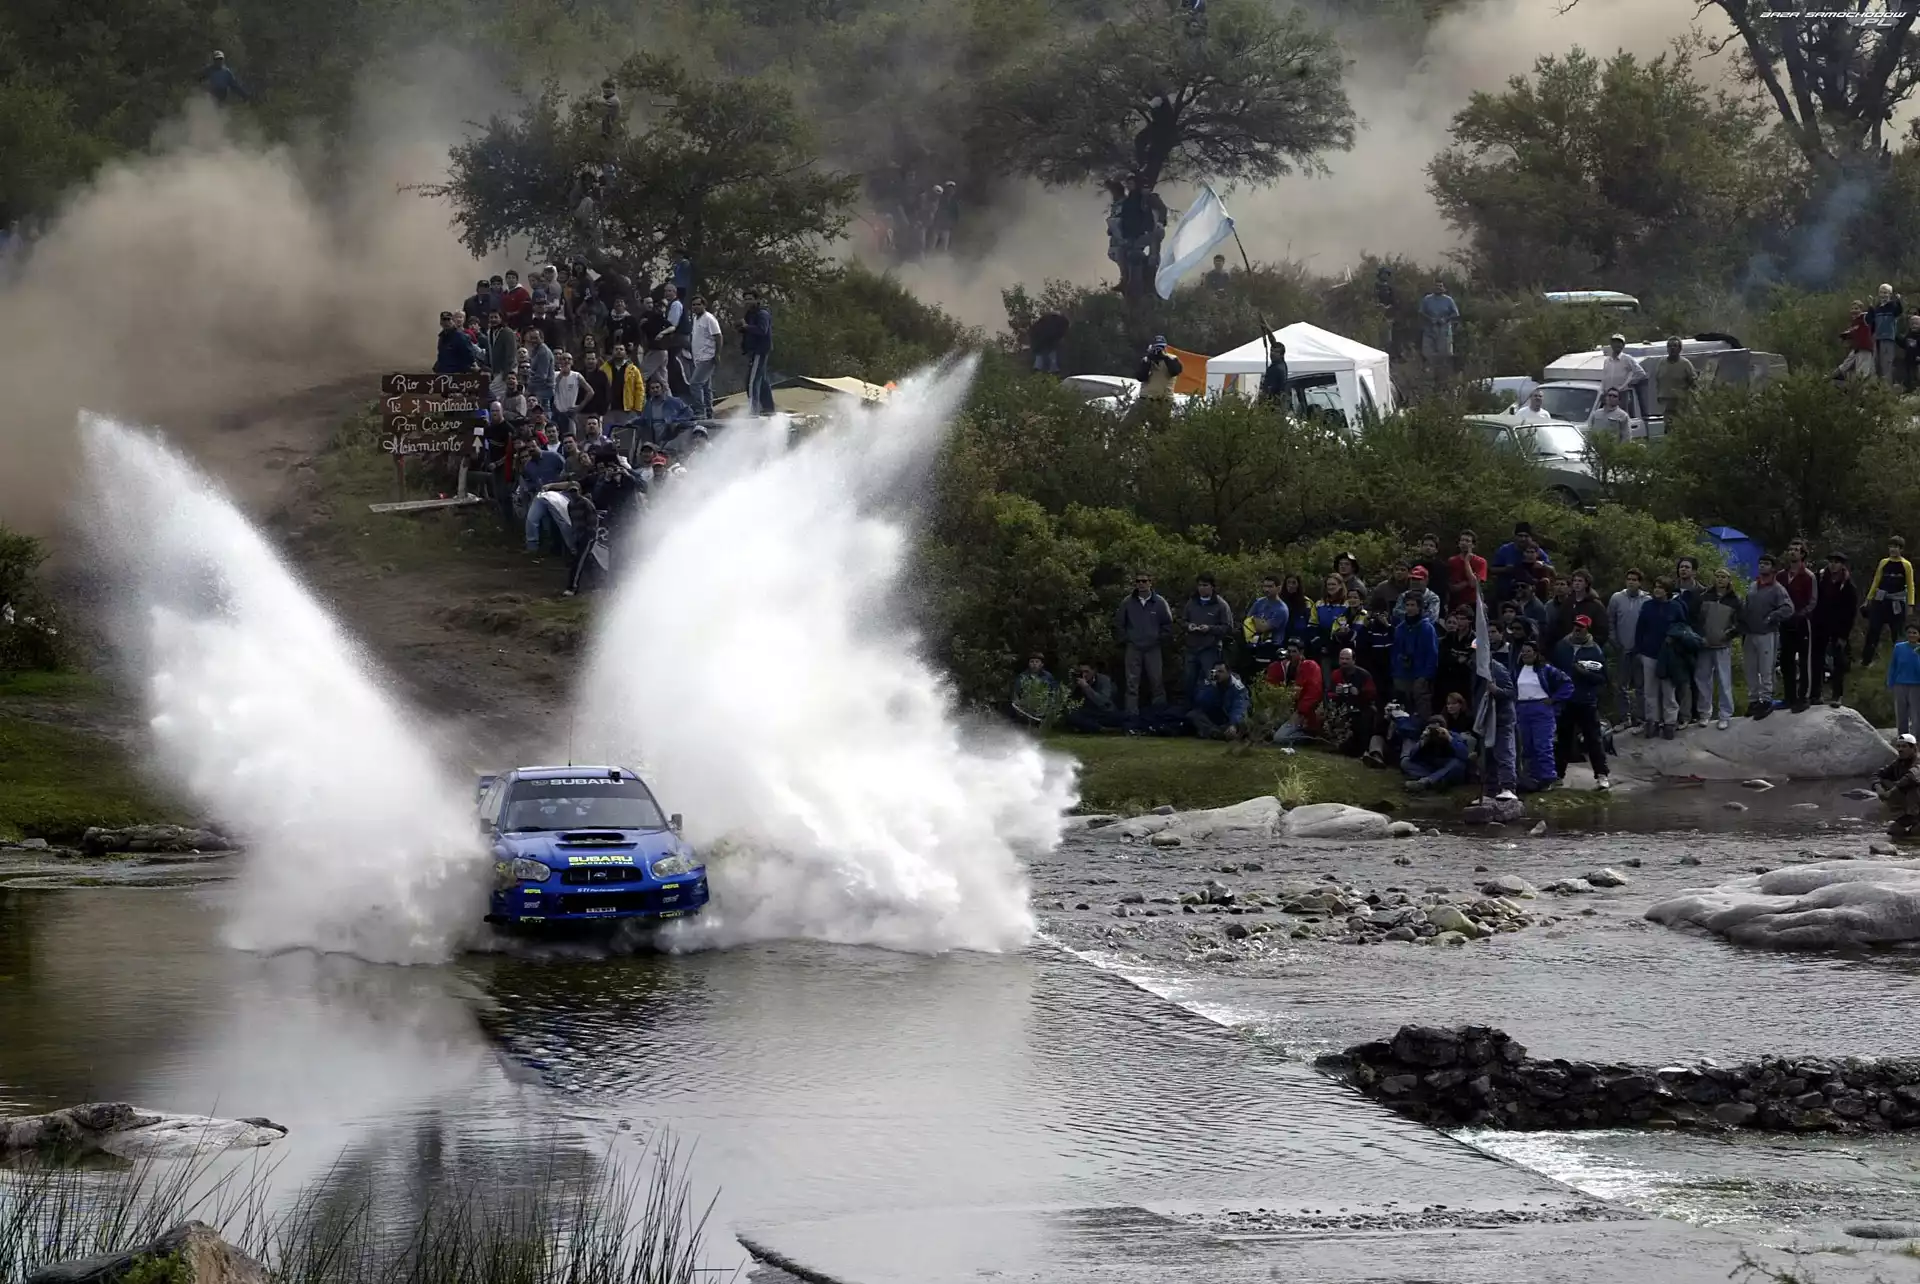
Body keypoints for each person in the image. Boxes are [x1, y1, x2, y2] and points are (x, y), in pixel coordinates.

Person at [1552, 615, 1612, 790]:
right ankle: (1558, 775)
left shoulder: (1595, 650)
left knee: (1593, 739)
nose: (1577, 629)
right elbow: (1553, 669)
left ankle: (1601, 775)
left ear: (1587, 629)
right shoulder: (1562, 646)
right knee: (1563, 739)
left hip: (1586, 700)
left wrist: (1585, 674)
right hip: (1566, 700)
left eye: (1581, 627)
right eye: (1576, 625)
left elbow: (1602, 678)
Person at [1511, 639, 1573, 791]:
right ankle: (1531, 777)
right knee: (1527, 746)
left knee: (1543, 745)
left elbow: (1567, 684)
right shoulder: (1517, 670)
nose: (1525, 654)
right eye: (1523, 651)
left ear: (1536, 654)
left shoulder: (1546, 670)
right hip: (1522, 709)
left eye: (1529, 651)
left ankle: (1548, 777)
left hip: (1541, 709)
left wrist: (1554, 699)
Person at [1115, 573, 1174, 715]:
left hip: (1153, 648)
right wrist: (1127, 639)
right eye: (1138, 581)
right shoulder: (1127, 602)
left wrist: (1159, 639)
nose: (1141, 584)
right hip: (1133, 648)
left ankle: (1159, 715)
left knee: (1157, 682)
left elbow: (1168, 624)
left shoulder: (1160, 602)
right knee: (1131, 683)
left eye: (1144, 581)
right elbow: (1119, 623)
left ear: (1150, 583)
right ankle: (1131, 715)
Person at [1692, 567, 1741, 730]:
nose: (1720, 579)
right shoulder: (1704, 596)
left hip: (1722, 646)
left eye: (1723, 577)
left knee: (1724, 681)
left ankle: (1725, 715)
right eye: (1718, 576)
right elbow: (1696, 620)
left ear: (1729, 580)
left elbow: (1740, 623)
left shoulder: (1735, 600)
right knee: (1702, 680)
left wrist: (1727, 635)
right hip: (1704, 644)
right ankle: (1705, 713)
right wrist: (1700, 636)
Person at [1635, 578, 1684, 738]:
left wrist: (1675, 643)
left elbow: (1683, 628)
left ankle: (1670, 722)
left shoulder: (1676, 607)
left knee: (1668, 691)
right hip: (1649, 653)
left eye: (1661, 588)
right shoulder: (1647, 606)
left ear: (1667, 590)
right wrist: (1639, 650)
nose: (1657, 590)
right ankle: (1652, 721)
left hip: (1668, 655)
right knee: (1650, 690)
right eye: (1655, 587)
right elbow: (1640, 629)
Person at [1812, 553, 1860, 708]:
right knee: (1817, 659)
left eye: (1837, 562)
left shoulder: (1848, 585)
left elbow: (1851, 612)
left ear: (1842, 565)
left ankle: (1837, 695)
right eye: (1831, 561)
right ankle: (1816, 693)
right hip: (1819, 625)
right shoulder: (1819, 579)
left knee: (1839, 661)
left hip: (1839, 628)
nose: (1833, 565)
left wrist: (1844, 635)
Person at [1778, 544, 1820, 713]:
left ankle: (1804, 697)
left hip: (1802, 623)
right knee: (1786, 661)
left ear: (1802, 554)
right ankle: (1789, 697)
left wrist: (1800, 615)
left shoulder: (1809, 576)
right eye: (1790, 549)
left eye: (1796, 550)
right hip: (1784, 623)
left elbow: (1813, 601)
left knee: (1804, 661)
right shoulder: (1781, 576)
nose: (1792, 552)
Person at [1180, 574, 1234, 701]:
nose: (1202, 588)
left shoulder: (1221, 605)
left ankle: (1211, 706)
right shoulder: (1192, 602)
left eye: (1205, 585)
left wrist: (1209, 628)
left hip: (1210, 649)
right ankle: (1189, 706)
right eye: (1199, 585)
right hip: (1191, 648)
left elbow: (1228, 627)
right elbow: (1182, 621)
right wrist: (1188, 626)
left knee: (1212, 680)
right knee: (1189, 680)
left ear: (1212, 587)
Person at [1864, 536, 1916, 666]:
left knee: (1897, 633)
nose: (1893, 549)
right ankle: (1867, 660)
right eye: (1891, 546)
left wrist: (1910, 604)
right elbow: (1876, 581)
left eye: (1896, 547)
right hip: (1881, 600)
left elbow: (1910, 585)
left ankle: (1901, 661)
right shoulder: (1884, 562)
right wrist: (1869, 598)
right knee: (1873, 630)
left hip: (1897, 602)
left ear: (1901, 549)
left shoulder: (1906, 565)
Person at [1607, 568, 1648, 727]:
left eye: (1634, 580)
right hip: (1621, 649)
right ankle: (1625, 718)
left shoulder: (1646, 600)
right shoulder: (1616, 598)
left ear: (1640, 583)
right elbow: (1610, 621)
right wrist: (1615, 642)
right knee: (1620, 686)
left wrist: (1643, 646)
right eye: (1629, 579)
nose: (1631, 582)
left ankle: (1641, 718)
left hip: (1639, 650)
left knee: (1641, 687)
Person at [1324, 648, 1380, 760]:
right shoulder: (1336, 674)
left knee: (1368, 715)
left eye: (1347, 659)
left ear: (1353, 660)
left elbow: (1372, 694)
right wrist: (1336, 692)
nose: (1344, 661)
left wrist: (1359, 692)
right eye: (1342, 659)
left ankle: (1364, 749)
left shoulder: (1364, 675)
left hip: (1361, 706)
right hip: (1342, 706)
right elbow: (1328, 693)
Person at [1389, 593, 1438, 716]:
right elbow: (1395, 651)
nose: (1409, 608)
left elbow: (1432, 654)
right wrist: (1396, 668)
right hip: (1402, 674)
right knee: (1401, 711)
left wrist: (1426, 676)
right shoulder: (1400, 628)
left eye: (1413, 605)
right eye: (1407, 605)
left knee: (1421, 710)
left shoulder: (1427, 628)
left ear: (1419, 607)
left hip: (1420, 676)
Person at [1672, 557, 1706, 725]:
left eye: (1687, 567)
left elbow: (1704, 617)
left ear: (1694, 571)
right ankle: (1678, 714)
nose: (1683, 569)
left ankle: (1695, 713)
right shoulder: (1671, 589)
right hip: (1675, 639)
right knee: (1677, 678)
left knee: (1695, 678)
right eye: (1681, 567)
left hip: (1694, 639)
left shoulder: (1702, 592)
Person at [1401, 717, 1472, 792]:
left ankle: (1425, 782)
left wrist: (1449, 738)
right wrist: (1422, 742)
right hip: (1432, 766)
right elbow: (1412, 756)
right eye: (1431, 729)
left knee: (1457, 763)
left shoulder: (1453, 736)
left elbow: (1464, 755)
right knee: (1405, 762)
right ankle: (1437, 780)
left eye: (1437, 729)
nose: (1434, 732)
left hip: (1448, 766)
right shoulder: (1426, 737)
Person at [1490, 523, 1550, 603]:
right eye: (1520, 536)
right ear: (1515, 536)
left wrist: (1542, 565)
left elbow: (1552, 569)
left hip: (1533, 595)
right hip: (1507, 593)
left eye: (1526, 536)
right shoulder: (1505, 550)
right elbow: (1492, 569)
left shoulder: (1536, 550)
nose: (1523, 539)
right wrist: (1506, 569)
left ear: (1531, 537)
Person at [1189, 664, 1252, 741]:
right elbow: (1200, 701)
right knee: (1193, 715)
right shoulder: (1209, 683)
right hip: (1214, 718)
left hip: (1228, 718)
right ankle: (1218, 733)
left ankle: (1214, 733)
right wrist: (1211, 687)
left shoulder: (1238, 687)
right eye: (1215, 672)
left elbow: (1239, 707)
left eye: (1221, 671)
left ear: (1228, 673)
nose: (1217, 674)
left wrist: (1234, 724)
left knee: (1243, 723)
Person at [1874, 733, 1920, 837]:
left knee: (1915, 833)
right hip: (1909, 811)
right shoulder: (1898, 763)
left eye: (1904, 746)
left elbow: (1911, 777)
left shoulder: (1918, 761)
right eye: (1898, 746)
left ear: (1913, 748)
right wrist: (1879, 788)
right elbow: (1877, 775)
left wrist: (1891, 792)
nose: (1900, 749)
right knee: (1894, 831)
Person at [1243, 576, 1291, 671]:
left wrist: (1255, 619)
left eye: (1270, 586)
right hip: (1255, 646)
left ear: (1278, 588)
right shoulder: (1259, 602)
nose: (1266, 589)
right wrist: (1257, 621)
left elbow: (1262, 628)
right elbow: (1247, 621)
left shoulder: (1281, 609)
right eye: (1265, 586)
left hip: (1273, 648)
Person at [739, 291, 775, 415]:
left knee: (752, 381)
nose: (747, 302)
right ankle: (768, 409)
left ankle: (753, 411)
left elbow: (762, 330)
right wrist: (742, 328)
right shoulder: (750, 314)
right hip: (753, 351)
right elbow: (749, 330)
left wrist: (746, 327)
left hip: (760, 351)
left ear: (757, 300)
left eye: (750, 299)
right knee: (763, 381)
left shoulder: (762, 314)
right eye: (745, 299)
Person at [1599, 334, 1649, 420]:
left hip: (1621, 394)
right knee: (1608, 418)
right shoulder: (1607, 360)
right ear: (1611, 344)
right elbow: (1604, 378)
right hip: (1608, 395)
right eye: (1615, 342)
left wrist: (1628, 383)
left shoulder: (1627, 359)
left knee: (1621, 417)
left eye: (1620, 343)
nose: (1617, 345)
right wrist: (1602, 392)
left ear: (1623, 345)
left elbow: (1641, 373)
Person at [1062, 664, 1122, 734]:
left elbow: (1103, 701)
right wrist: (1074, 686)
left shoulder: (1104, 680)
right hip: (1088, 713)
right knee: (1072, 717)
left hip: (1104, 712)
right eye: (1082, 672)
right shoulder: (1078, 680)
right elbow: (1071, 701)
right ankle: (1101, 729)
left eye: (1086, 672)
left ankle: (1094, 727)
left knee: (1124, 716)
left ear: (1094, 671)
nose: (1084, 675)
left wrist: (1086, 687)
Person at [1651, 336, 1699, 419]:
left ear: (1680, 349)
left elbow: (1694, 383)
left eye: (1675, 346)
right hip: (1665, 401)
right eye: (1669, 346)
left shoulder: (1685, 364)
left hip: (1680, 402)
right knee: (1668, 424)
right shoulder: (1661, 363)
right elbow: (1658, 380)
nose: (1672, 348)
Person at [636, 377, 694, 444]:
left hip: (669, 435)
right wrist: (631, 421)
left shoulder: (673, 401)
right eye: (652, 388)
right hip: (654, 435)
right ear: (649, 391)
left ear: (662, 388)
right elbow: (643, 419)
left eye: (657, 387)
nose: (655, 390)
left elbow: (689, 412)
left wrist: (677, 421)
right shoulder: (648, 405)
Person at [1011, 655, 1064, 725]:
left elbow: (1054, 691)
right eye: (1032, 662)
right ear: (1028, 664)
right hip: (1026, 706)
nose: (1034, 664)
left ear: (1042, 664)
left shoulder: (1048, 676)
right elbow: (1017, 692)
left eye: (1037, 662)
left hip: (1043, 706)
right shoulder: (1022, 676)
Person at [602, 343, 645, 429]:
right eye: (616, 349)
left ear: (625, 352)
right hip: (608, 409)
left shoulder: (633, 369)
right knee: (607, 432)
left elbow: (639, 390)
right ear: (612, 352)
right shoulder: (604, 368)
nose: (619, 351)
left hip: (627, 409)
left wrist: (638, 408)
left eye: (621, 349)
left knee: (624, 432)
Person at [1418, 281, 1460, 364]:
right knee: (1428, 353)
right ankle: (1429, 368)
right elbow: (1421, 312)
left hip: (1444, 330)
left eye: (1440, 286)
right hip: (1430, 330)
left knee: (1445, 353)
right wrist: (1430, 319)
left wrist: (1445, 319)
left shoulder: (1448, 300)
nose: (1438, 288)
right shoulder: (1427, 299)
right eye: (1436, 286)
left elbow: (1456, 314)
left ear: (1444, 288)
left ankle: (1444, 368)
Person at [1872, 283, 1907, 382]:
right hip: (1877, 338)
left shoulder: (1892, 306)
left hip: (1888, 337)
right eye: (1881, 292)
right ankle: (1878, 385)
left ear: (1890, 294)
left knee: (1886, 363)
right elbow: (1873, 322)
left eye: (1886, 293)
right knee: (1877, 363)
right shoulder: (1877, 307)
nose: (1883, 295)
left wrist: (1899, 301)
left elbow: (1899, 311)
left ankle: (1887, 387)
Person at [550, 352, 591, 433]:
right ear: (560, 361)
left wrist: (580, 406)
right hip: (557, 412)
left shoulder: (576, 376)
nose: (566, 361)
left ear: (572, 362)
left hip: (570, 414)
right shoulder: (554, 375)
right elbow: (552, 389)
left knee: (571, 436)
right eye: (564, 359)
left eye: (569, 359)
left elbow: (590, 391)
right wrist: (561, 374)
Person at [1446, 530, 1487, 610]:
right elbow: (1451, 587)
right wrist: (1466, 583)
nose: (1464, 543)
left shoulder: (1481, 562)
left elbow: (1474, 584)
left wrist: (1467, 562)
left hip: (1474, 602)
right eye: (1462, 540)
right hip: (1455, 602)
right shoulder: (1452, 561)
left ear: (1473, 545)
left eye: (1467, 541)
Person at [1837, 300, 1876, 380]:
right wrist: (1844, 336)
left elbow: (1871, 316)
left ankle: (1862, 386)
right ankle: (1835, 376)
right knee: (1846, 364)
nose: (1854, 311)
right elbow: (1852, 333)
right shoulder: (1854, 322)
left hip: (1865, 348)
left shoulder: (1863, 318)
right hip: (1856, 348)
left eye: (1856, 308)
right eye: (1852, 309)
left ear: (1861, 310)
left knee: (1862, 371)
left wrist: (1871, 306)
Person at [1137, 337, 1184, 403]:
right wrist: (1148, 361)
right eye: (1156, 348)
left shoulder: (1172, 359)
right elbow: (1141, 377)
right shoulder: (1147, 359)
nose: (1159, 350)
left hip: (1165, 398)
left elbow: (1175, 372)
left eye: (1161, 347)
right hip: (1146, 397)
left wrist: (1165, 358)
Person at [1030, 311, 1070, 376]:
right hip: (1044, 343)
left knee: (1042, 358)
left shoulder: (1043, 325)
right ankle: (1049, 372)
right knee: (1046, 357)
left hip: (1042, 343)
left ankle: (1043, 372)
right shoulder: (1056, 325)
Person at [528, 331, 556, 410]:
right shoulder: (536, 350)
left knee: (543, 413)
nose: (533, 340)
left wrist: (529, 384)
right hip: (538, 388)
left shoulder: (543, 352)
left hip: (544, 389)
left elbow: (542, 376)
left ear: (542, 339)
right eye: (531, 338)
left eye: (536, 338)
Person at [1900, 314, 1920, 392]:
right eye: (1912, 324)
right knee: (1909, 376)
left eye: (1916, 324)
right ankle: (1910, 389)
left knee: (1917, 374)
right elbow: (1903, 344)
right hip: (1909, 359)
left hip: (1918, 360)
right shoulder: (1908, 335)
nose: (1914, 326)